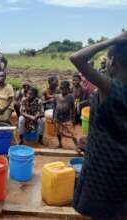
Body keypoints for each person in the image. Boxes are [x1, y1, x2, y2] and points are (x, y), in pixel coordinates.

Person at [70, 31, 127, 220]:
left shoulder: (110, 87)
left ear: (114, 62)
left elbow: (77, 58)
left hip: (103, 171)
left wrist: (114, 40)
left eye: (107, 60)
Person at [53, 81, 77, 148]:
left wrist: (73, 119)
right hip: (57, 117)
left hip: (67, 118)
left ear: (68, 89)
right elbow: (54, 108)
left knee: (71, 133)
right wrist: (53, 117)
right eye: (61, 88)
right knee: (58, 132)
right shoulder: (56, 97)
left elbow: (73, 109)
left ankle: (77, 146)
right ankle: (60, 143)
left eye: (64, 88)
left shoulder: (71, 97)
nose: (62, 90)